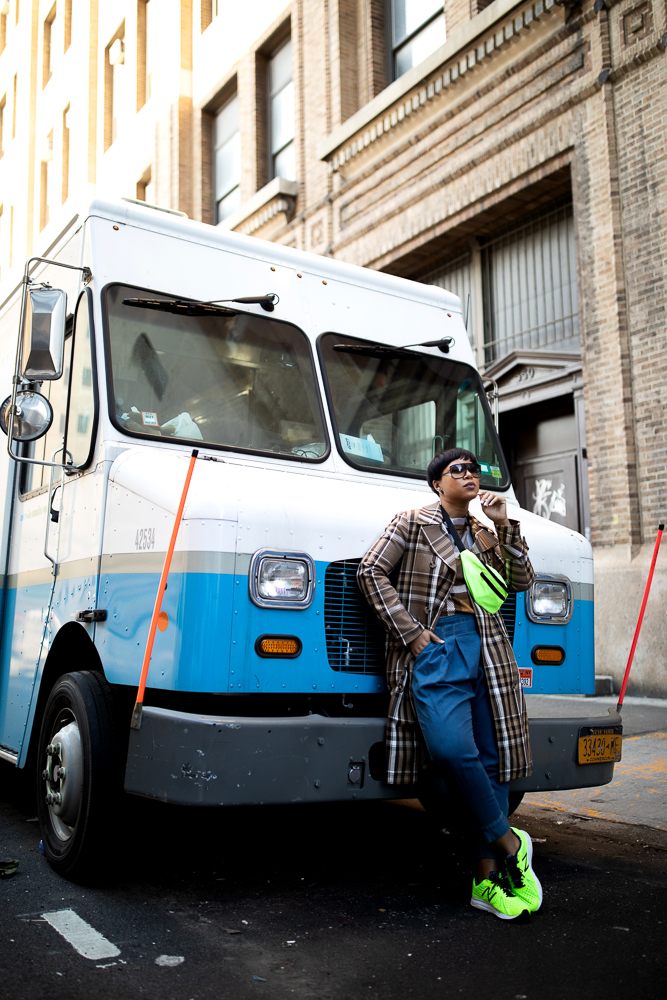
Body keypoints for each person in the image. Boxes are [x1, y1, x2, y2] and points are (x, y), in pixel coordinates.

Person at [358, 447, 542, 920]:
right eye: (456, 470)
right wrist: (412, 634)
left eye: (473, 469)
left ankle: (485, 882)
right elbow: (370, 572)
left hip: (488, 647)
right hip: (438, 646)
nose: (468, 475)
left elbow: (520, 581)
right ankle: (510, 841)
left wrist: (506, 524)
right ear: (437, 483)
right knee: (451, 750)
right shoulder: (411, 521)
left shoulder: (485, 529)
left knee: (491, 756)